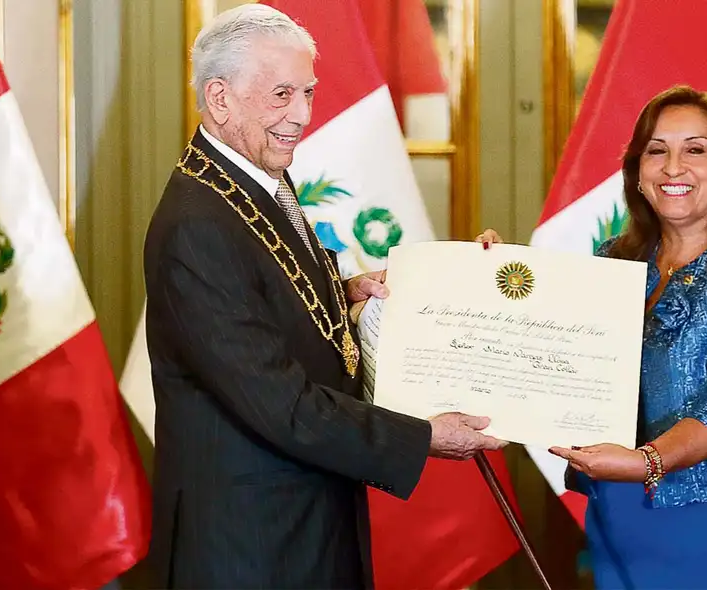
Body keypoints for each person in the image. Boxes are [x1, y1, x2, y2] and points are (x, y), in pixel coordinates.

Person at [143, 5, 506, 588]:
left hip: (302, 520)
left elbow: (261, 298)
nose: (302, 116)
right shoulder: (198, 223)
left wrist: (345, 291)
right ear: (220, 98)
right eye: (282, 94)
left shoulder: (250, 176)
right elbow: (278, 402)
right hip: (250, 546)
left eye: (307, 92)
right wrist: (425, 437)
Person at [478, 85, 707, 589]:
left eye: (695, 149)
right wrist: (491, 277)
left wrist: (647, 461)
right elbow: (553, 348)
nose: (674, 167)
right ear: (638, 173)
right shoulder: (615, 260)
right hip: (621, 506)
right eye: (657, 151)